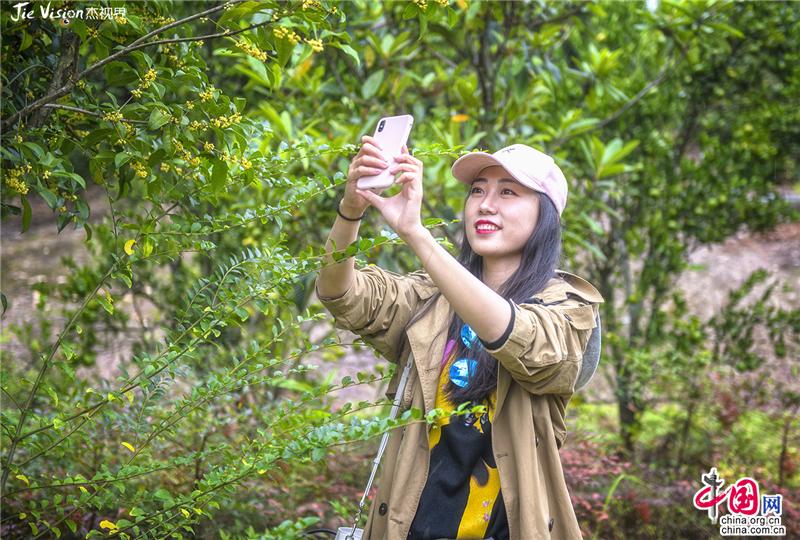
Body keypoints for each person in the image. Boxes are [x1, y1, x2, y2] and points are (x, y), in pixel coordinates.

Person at [315, 135, 605, 540]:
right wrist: (350, 210)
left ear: (546, 216)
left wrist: (417, 235)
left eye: (508, 192)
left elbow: (516, 334)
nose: (486, 204)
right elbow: (338, 292)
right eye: (477, 191)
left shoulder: (567, 306)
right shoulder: (431, 297)